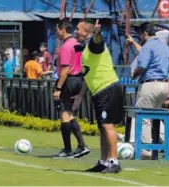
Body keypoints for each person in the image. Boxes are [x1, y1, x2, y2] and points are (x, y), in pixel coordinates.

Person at [73, 19, 123, 173]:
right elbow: (89, 75)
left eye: (78, 29)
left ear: (87, 32)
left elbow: (98, 40)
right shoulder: (87, 49)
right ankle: (104, 162)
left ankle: (114, 161)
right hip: (99, 92)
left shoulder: (94, 45)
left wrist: (97, 32)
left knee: (107, 126)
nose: (76, 32)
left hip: (107, 89)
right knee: (102, 127)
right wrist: (80, 95)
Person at [126, 22, 169, 158]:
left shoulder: (148, 46)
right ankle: (168, 143)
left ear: (145, 34)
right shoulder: (165, 47)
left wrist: (135, 74)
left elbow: (142, 66)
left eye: (140, 35)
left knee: (144, 117)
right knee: (155, 117)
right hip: (164, 85)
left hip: (150, 84)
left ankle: (145, 150)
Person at [52, 19, 89, 158]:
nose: (56, 32)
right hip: (79, 79)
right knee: (70, 113)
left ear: (62, 29)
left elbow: (66, 69)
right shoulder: (77, 44)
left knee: (64, 113)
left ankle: (68, 149)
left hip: (69, 80)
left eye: (57, 29)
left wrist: (58, 88)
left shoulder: (66, 46)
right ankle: (81, 145)